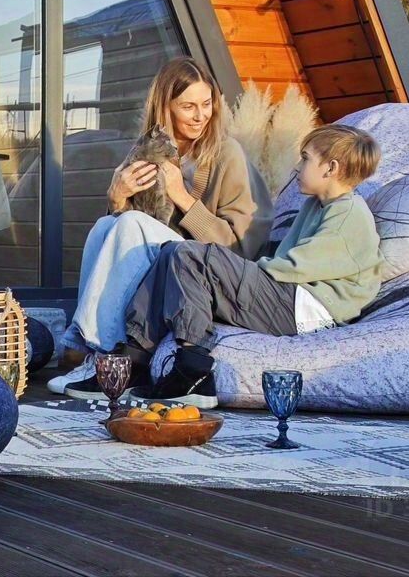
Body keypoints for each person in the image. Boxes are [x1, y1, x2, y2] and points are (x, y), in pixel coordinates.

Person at [52, 56, 273, 399]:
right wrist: (117, 197)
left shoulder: (227, 153)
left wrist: (182, 196)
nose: (201, 116)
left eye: (207, 104)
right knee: (104, 225)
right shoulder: (149, 149)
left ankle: (106, 356)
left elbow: (237, 246)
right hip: (160, 263)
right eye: (188, 107)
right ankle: (96, 354)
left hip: (207, 268)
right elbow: (122, 234)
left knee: (129, 222)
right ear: (165, 107)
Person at [123, 124, 384, 407]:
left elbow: (297, 266)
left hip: (306, 309)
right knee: (171, 251)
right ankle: (135, 360)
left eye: (305, 158)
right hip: (289, 298)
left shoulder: (348, 213)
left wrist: (240, 271)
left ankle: (193, 372)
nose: (297, 166)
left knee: (192, 255)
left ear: (331, 168)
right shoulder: (317, 205)